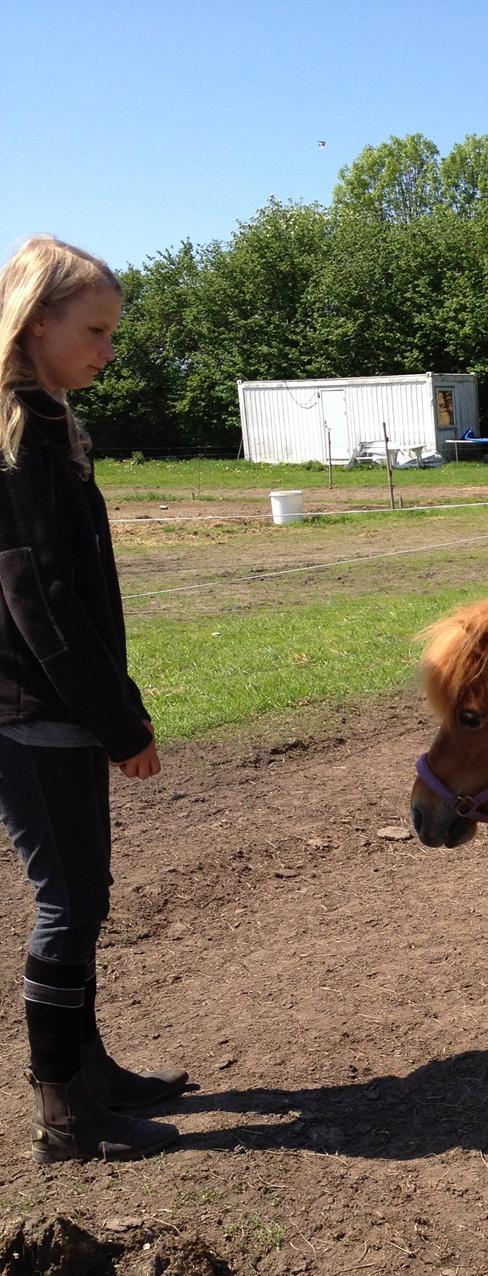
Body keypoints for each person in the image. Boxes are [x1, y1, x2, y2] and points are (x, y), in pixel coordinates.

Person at [0, 235, 188, 1163]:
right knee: (69, 903)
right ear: (37, 322)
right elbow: (44, 604)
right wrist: (119, 722)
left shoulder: (49, 426)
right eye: (97, 331)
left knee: (85, 896)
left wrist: (120, 700)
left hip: (57, 706)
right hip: (30, 712)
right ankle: (64, 1114)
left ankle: (89, 1071)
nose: (110, 350)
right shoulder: (18, 444)